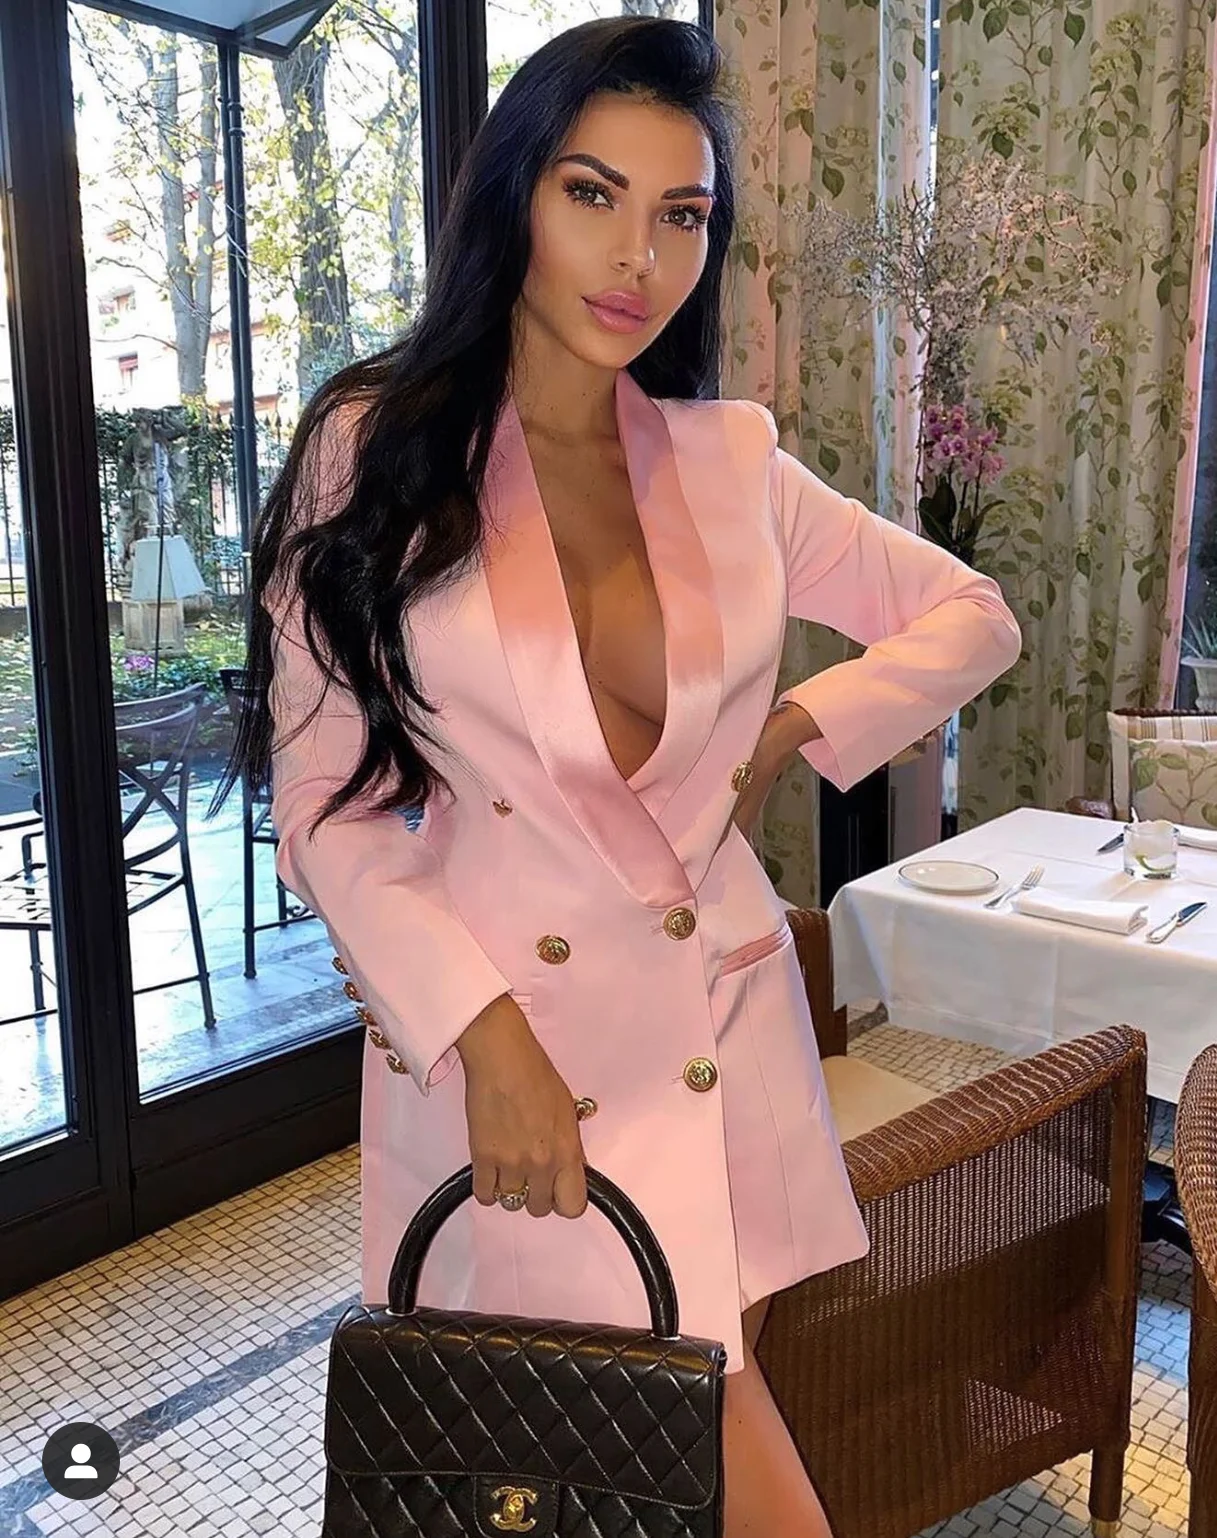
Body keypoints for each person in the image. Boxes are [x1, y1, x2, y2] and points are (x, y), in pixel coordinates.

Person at [223, 17, 1022, 1537]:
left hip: (716, 1049)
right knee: (573, 1472)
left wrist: (791, 730)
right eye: (592, 193)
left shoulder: (732, 464)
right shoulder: (372, 448)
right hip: (508, 1065)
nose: (638, 256)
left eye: (683, 213)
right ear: (515, 193)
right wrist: (485, 1036)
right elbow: (326, 808)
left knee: (659, 1471)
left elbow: (973, 613)